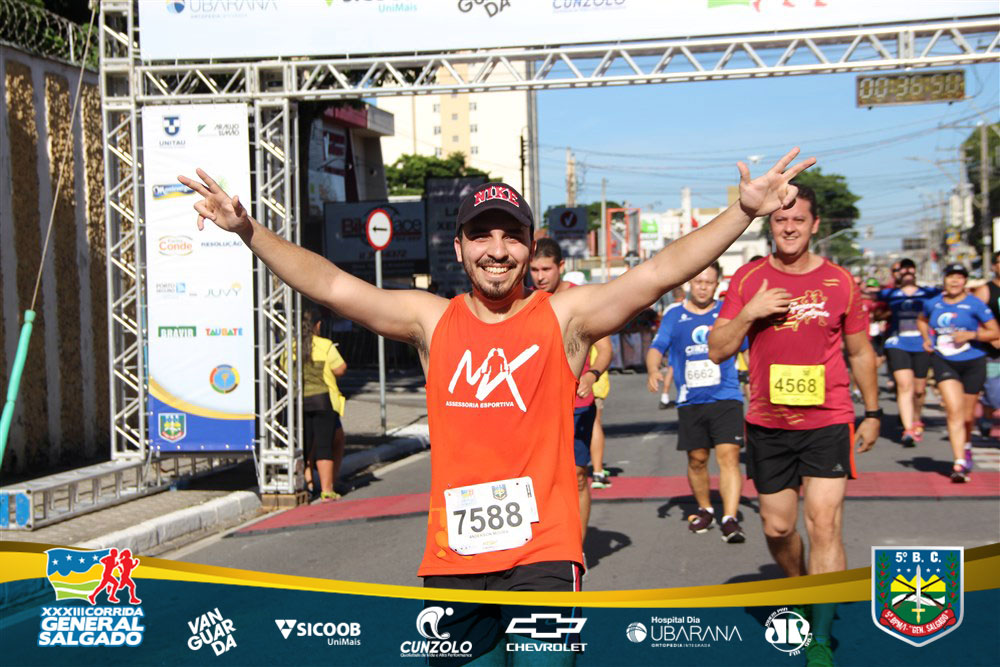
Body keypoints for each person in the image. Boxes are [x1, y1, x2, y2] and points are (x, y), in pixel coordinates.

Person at [179, 148, 813, 659]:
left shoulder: (564, 318)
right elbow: (333, 284)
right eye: (480, 235)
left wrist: (741, 212)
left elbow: (656, 273)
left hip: (544, 556)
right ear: (459, 248)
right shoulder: (431, 321)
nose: (497, 249)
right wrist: (248, 231)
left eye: (511, 236)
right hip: (454, 559)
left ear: (530, 248)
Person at [707, 184, 879, 665]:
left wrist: (874, 412)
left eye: (798, 220)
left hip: (828, 419)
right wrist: (750, 312)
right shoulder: (748, 279)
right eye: (781, 220)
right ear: (770, 225)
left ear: (814, 225)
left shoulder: (840, 281)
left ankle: (820, 637)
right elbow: (718, 349)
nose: (789, 228)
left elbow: (861, 351)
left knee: (824, 523)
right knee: (779, 527)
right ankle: (798, 587)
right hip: (768, 422)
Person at [646, 261, 747, 543]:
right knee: (697, 459)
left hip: (726, 395)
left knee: (729, 456)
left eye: (709, 282)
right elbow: (657, 347)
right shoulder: (674, 314)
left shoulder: (727, 313)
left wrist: (756, 382)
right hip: (691, 400)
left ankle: (730, 518)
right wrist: (653, 369)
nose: (703, 287)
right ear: (690, 282)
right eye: (698, 282)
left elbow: (746, 348)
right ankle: (705, 509)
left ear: (717, 284)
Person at [528, 239, 612, 537]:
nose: (540, 277)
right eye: (534, 270)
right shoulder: (525, 301)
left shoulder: (580, 300)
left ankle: (578, 547)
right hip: (535, 409)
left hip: (576, 405)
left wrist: (592, 375)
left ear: (561, 266)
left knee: (577, 475)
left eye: (546, 269)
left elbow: (605, 350)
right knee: (538, 480)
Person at [918, 263, 999, 482]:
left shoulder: (975, 303)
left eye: (960, 277)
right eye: (951, 276)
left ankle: (967, 445)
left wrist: (971, 335)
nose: (955, 281)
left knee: (967, 416)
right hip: (944, 360)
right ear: (944, 279)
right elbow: (922, 320)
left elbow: (994, 332)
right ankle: (959, 462)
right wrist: (927, 339)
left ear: (965, 281)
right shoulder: (933, 303)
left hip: (973, 361)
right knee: (954, 411)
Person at [878, 258, 940, 447]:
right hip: (898, 342)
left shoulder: (928, 292)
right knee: (904, 386)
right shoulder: (890, 293)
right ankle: (908, 430)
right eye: (902, 270)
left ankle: (916, 418)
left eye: (910, 269)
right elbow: (869, 297)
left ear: (915, 272)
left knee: (919, 390)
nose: (907, 273)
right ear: (897, 274)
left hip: (921, 343)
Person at [298, 308, 348, 501]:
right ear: (317, 325)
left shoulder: (292, 346)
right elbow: (340, 368)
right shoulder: (324, 345)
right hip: (323, 401)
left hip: (299, 402)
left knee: (305, 445)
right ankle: (327, 489)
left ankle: (308, 484)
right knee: (325, 445)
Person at [972, 251, 1000, 438]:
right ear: (994, 266)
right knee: (995, 392)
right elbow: (971, 318)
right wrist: (991, 337)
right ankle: (987, 410)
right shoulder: (985, 290)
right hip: (992, 351)